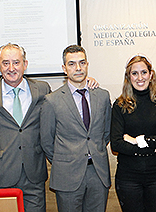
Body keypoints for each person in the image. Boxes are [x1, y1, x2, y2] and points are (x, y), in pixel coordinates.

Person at [0, 43, 51, 212]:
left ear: (25, 64)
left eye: (16, 62)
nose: (11, 68)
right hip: (2, 174)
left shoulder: (42, 89)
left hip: (34, 174)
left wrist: (87, 82)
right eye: (5, 63)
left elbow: (62, 102)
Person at [42, 45, 112, 212]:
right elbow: (46, 141)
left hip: (98, 173)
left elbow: (106, 132)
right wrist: (65, 160)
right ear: (64, 68)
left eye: (82, 63)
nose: (78, 68)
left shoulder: (102, 96)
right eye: (72, 64)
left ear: (87, 64)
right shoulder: (52, 100)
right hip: (67, 175)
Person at [110, 54, 156, 212]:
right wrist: (154, 143)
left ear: (151, 74)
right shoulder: (119, 105)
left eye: (144, 72)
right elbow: (116, 143)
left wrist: (136, 140)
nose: (140, 77)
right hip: (128, 177)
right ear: (128, 77)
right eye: (134, 73)